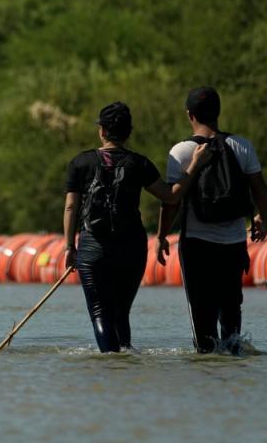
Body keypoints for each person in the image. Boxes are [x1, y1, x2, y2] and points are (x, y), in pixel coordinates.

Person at [64, 101, 212, 353]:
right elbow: (171, 196)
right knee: (121, 312)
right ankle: (125, 362)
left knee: (101, 312)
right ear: (128, 132)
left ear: (101, 131)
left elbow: (71, 208)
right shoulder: (139, 164)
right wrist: (195, 163)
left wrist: (69, 247)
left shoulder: (80, 163)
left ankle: (111, 361)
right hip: (132, 248)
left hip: (93, 247)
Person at [156, 87, 267, 354]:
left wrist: (161, 236)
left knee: (201, 319)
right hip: (233, 243)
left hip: (197, 244)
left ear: (190, 115)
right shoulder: (241, 146)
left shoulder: (182, 151)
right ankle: (232, 365)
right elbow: (261, 191)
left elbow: (171, 201)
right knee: (231, 314)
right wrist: (261, 218)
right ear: (218, 113)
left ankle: (208, 373)